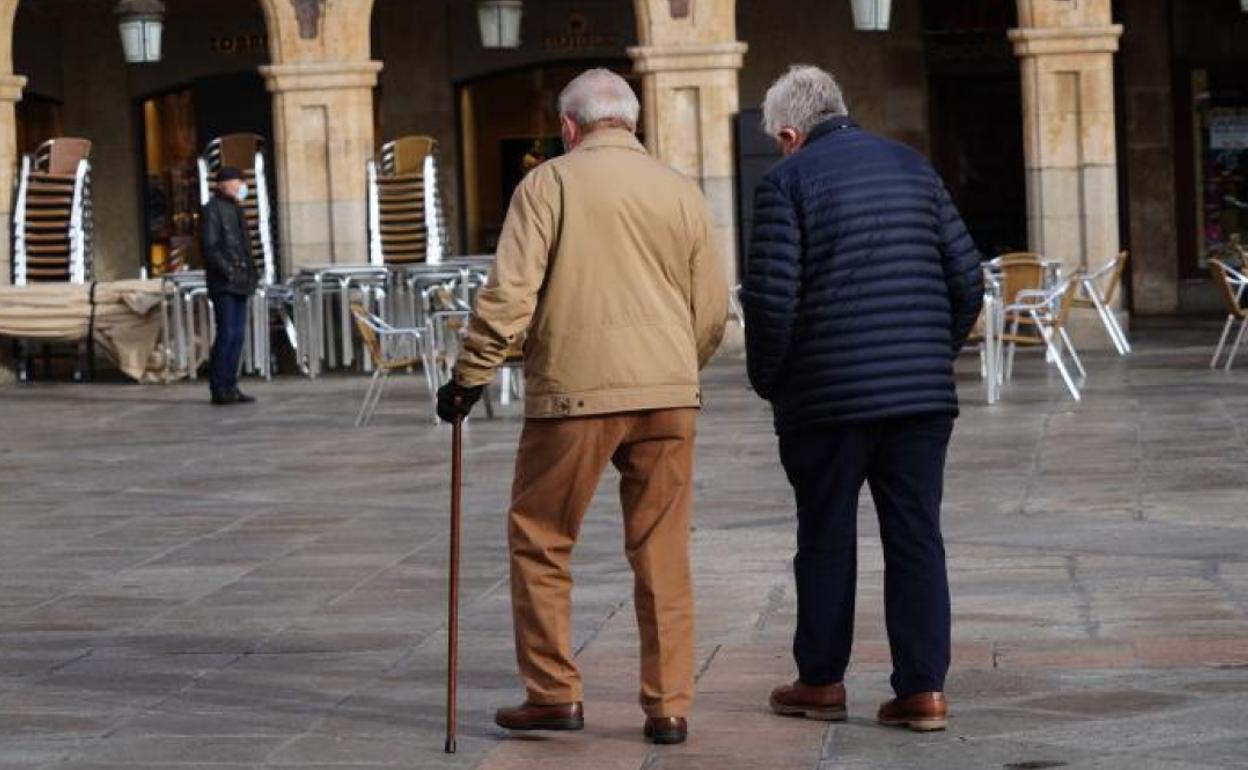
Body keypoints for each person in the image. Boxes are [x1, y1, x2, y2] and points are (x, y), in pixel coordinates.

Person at [436, 68, 728, 746]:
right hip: (668, 395)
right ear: (633, 122)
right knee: (663, 550)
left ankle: (553, 692)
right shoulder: (680, 190)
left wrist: (470, 375)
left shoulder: (548, 184)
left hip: (573, 393)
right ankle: (668, 705)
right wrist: (675, 367)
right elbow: (713, 308)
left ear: (569, 126)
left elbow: (510, 294)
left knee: (541, 537)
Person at [741, 66, 983, 732]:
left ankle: (821, 683)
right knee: (916, 537)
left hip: (826, 401)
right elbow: (968, 279)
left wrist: (772, 380)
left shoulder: (785, 182)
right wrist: (931, 356)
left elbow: (771, 302)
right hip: (919, 401)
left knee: (825, 536)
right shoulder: (913, 167)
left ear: (789, 135)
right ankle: (923, 692)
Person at [202, 166, 258, 406]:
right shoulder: (212, 210)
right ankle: (219, 386)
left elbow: (244, 247)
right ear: (223, 184)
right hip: (224, 282)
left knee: (237, 335)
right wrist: (230, 271)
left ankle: (230, 384)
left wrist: (251, 274)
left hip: (241, 281)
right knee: (227, 333)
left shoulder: (237, 209)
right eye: (237, 182)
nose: (241, 186)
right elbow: (211, 247)